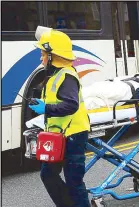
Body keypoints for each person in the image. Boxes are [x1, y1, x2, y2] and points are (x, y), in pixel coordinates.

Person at [28, 26, 91, 207]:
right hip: (58, 135)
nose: (41, 58)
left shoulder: (67, 76)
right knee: (47, 174)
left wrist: (46, 108)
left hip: (74, 135)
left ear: (52, 55)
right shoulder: (55, 75)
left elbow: (71, 105)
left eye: (43, 54)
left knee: (74, 182)